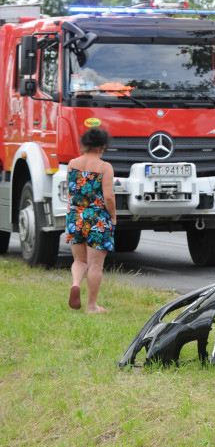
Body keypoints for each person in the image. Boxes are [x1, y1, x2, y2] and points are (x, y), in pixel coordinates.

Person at [65, 128, 116, 313]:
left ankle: (76, 284)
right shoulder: (104, 167)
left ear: (85, 144)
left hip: (75, 216)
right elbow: (109, 197)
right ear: (103, 146)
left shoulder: (72, 164)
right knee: (96, 265)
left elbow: (70, 191)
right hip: (97, 219)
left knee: (79, 260)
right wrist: (112, 216)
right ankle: (91, 306)